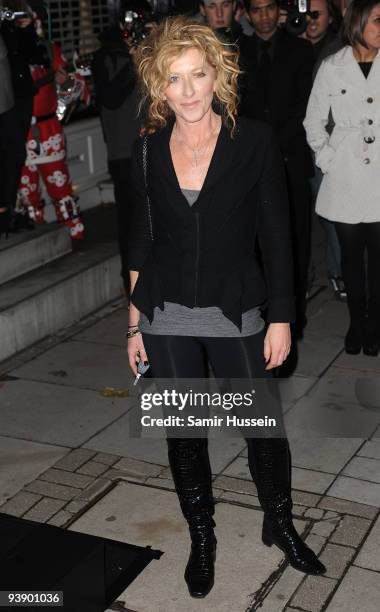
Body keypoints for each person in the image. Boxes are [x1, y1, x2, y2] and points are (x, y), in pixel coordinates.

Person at [127, 16, 326, 600]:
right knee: (183, 432)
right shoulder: (146, 148)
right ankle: (202, 538)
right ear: (159, 86)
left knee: (261, 426)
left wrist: (283, 315)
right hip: (165, 315)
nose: (186, 91)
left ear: (219, 76)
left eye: (197, 75)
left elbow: (277, 234)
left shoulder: (253, 140)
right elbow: (139, 239)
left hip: (236, 309)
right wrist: (134, 323)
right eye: (173, 79)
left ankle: (280, 524)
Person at [304, 0, 380, 356]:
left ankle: (375, 323)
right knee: (351, 256)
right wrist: (327, 159)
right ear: (360, 21)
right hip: (346, 173)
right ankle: (356, 322)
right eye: (379, 20)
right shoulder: (332, 66)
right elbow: (313, 121)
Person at [239, 0, 315, 335]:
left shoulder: (300, 50)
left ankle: (291, 316)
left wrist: (273, 146)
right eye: (257, 9)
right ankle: (259, 313)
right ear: (246, 13)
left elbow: (304, 108)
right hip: (249, 164)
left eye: (270, 7)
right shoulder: (236, 51)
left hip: (290, 160)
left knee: (294, 239)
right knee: (253, 242)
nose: (265, 15)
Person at [16, 11, 85, 239]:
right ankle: (35, 236)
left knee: (60, 188)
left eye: (26, 20)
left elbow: (75, 90)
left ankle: (75, 235)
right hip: (17, 133)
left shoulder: (48, 50)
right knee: (26, 194)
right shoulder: (6, 53)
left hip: (47, 132)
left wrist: (65, 81)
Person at [92, 8, 142, 293]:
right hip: (124, 153)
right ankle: (132, 287)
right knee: (131, 225)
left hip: (156, 147)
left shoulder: (152, 52)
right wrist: (134, 61)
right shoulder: (105, 56)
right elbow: (110, 98)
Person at [305, 0, 346, 300]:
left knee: (335, 217)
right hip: (295, 150)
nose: (309, 20)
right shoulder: (289, 47)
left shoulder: (335, 50)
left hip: (327, 149)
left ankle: (340, 274)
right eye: (304, 14)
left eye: (316, 14)